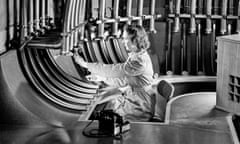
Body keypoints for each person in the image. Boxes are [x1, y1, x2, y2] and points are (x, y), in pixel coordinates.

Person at [73, 24, 155, 122]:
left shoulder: (140, 62)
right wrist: (101, 78)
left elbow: (115, 70)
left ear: (135, 40)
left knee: (106, 114)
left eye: (125, 39)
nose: (123, 42)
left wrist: (85, 64)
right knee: (106, 107)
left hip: (141, 106)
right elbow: (124, 80)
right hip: (135, 98)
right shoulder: (136, 55)